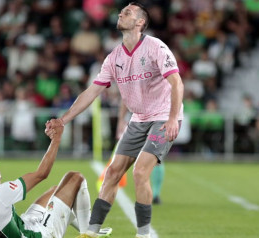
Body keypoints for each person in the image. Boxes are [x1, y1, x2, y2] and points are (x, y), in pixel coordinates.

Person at [46, 2, 184, 238]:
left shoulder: (155, 47)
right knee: (112, 173)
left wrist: (172, 119)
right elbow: (91, 92)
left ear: (140, 22)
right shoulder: (114, 57)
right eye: (121, 12)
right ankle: (91, 232)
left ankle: (143, 234)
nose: (121, 13)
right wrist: (64, 119)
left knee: (140, 172)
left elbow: (176, 82)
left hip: (162, 117)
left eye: (128, 12)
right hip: (138, 119)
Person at [0, 119, 112, 238]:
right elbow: (41, 174)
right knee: (75, 178)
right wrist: (56, 139)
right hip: (39, 235)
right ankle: (89, 234)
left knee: (55, 191)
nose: (0, 182)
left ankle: (90, 229)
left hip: (23, 224)